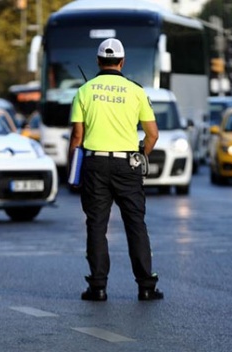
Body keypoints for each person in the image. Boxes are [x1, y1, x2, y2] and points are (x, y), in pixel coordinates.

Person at [68, 38, 162, 302]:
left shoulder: (84, 91)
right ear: (122, 62)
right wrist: (140, 155)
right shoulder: (136, 91)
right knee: (135, 224)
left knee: (97, 225)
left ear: (98, 61)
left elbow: (77, 136)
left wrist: (73, 170)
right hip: (127, 165)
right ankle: (146, 286)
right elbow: (153, 134)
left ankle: (97, 287)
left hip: (94, 165)